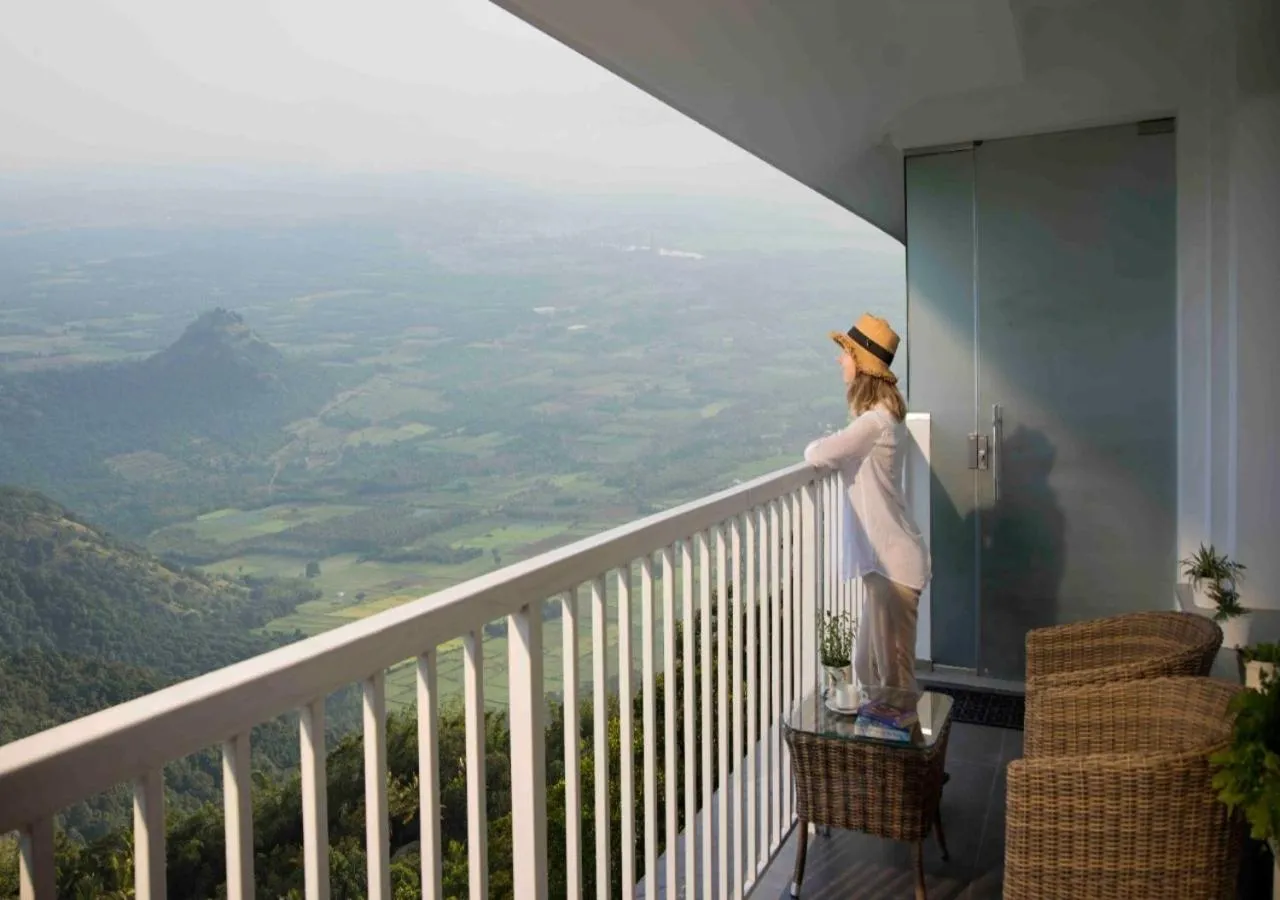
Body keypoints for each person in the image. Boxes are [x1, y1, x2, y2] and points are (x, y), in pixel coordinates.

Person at [803, 313, 931, 704]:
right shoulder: (884, 419)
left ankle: (908, 761)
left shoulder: (874, 423)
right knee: (867, 667)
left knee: (893, 683)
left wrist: (820, 444)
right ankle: (896, 754)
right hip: (887, 567)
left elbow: (817, 453)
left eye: (845, 354)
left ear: (860, 364)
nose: (840, 361)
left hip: (892, 570)